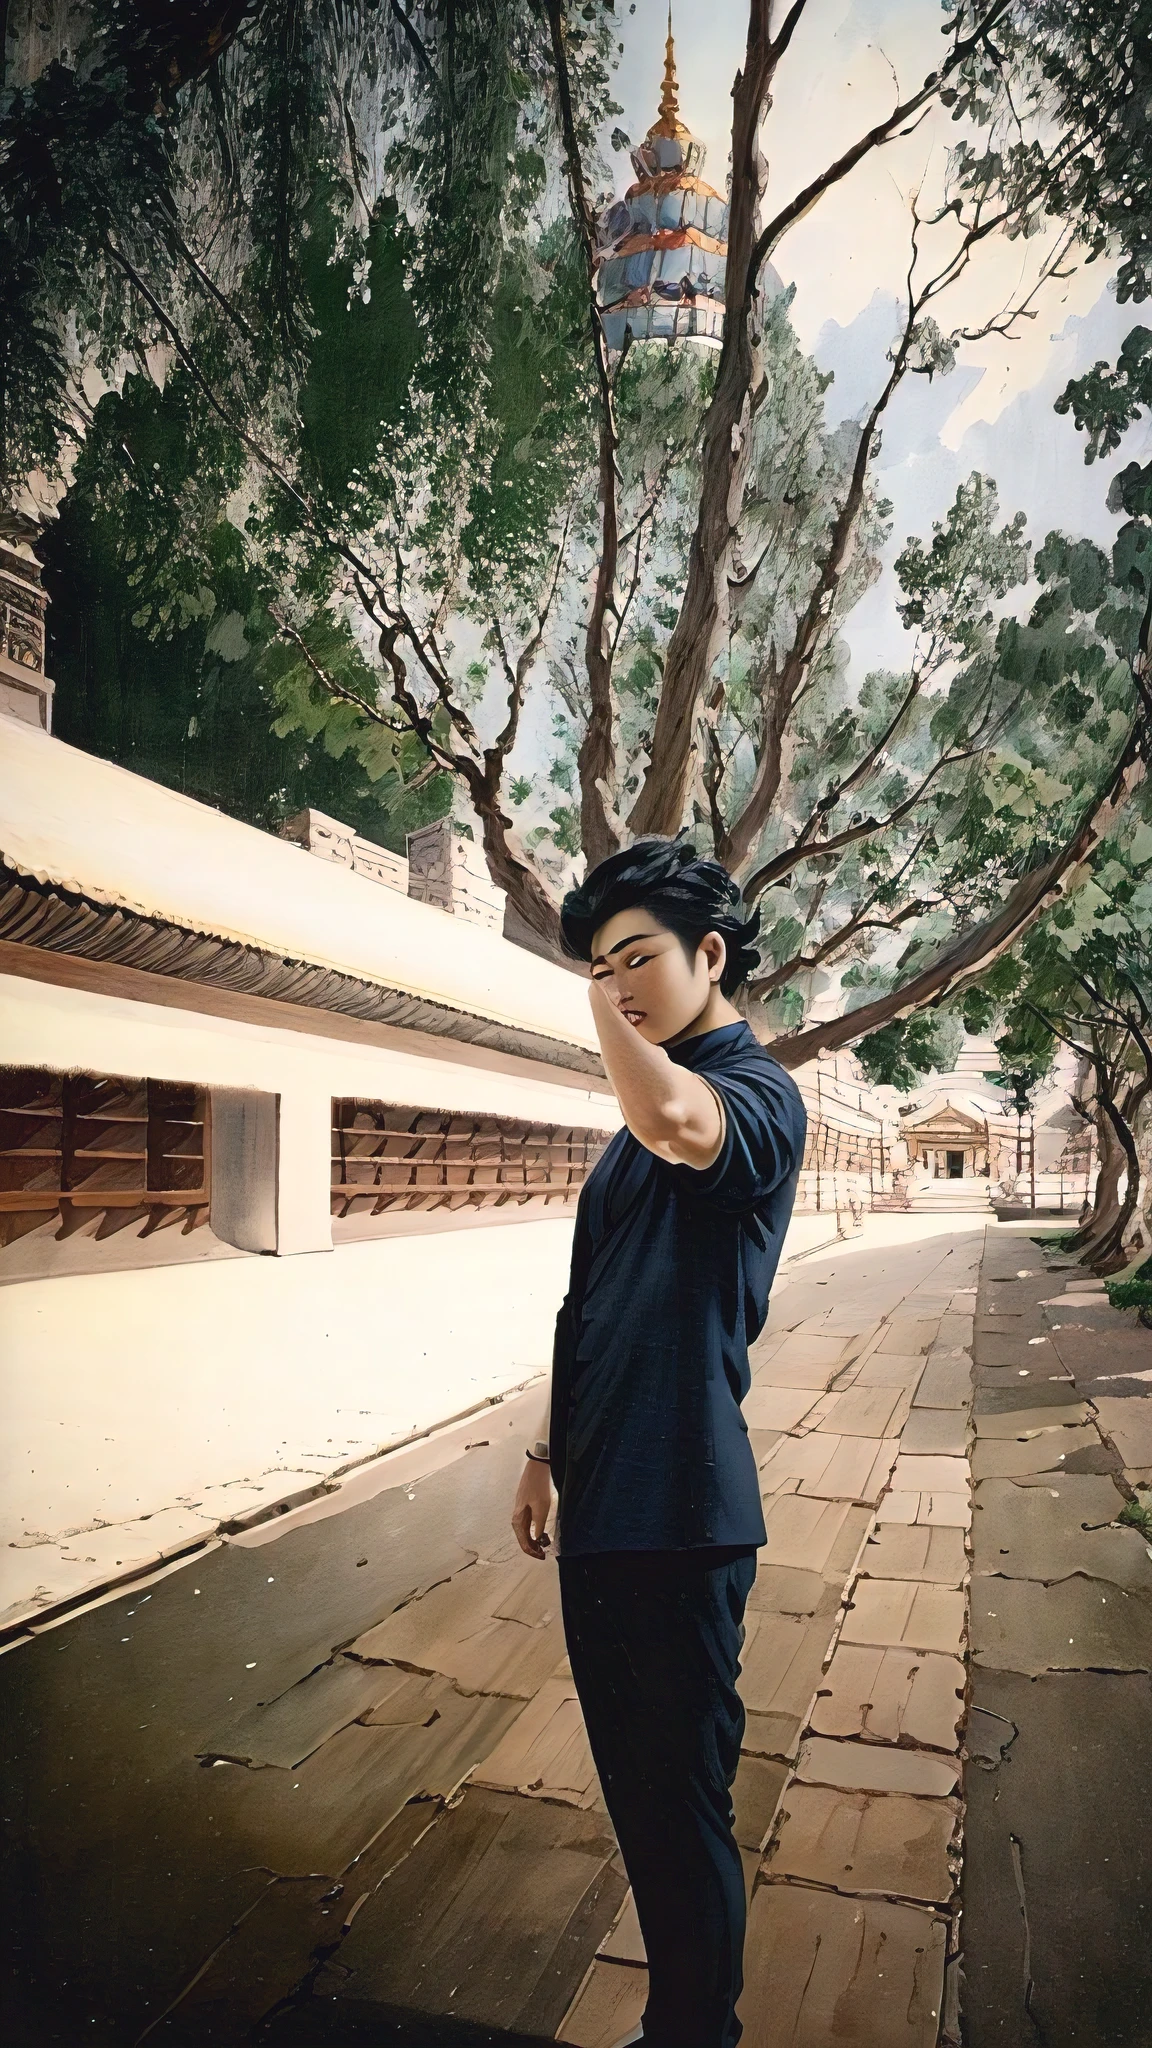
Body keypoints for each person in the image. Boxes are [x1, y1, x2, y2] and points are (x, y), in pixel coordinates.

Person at [511, 837, 807, 2048]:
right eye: (599, 964)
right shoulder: (635, 1126)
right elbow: (589, 1301)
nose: (618, 983)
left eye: (638, 958)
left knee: (682, 1811)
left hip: (682, 1514)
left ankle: (698, 2034)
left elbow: (683, 1117)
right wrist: (543, 1450)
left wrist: (599, 1013)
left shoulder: (754, 1094)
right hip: (603, 1504)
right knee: (640, 1803)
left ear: (711, 954)